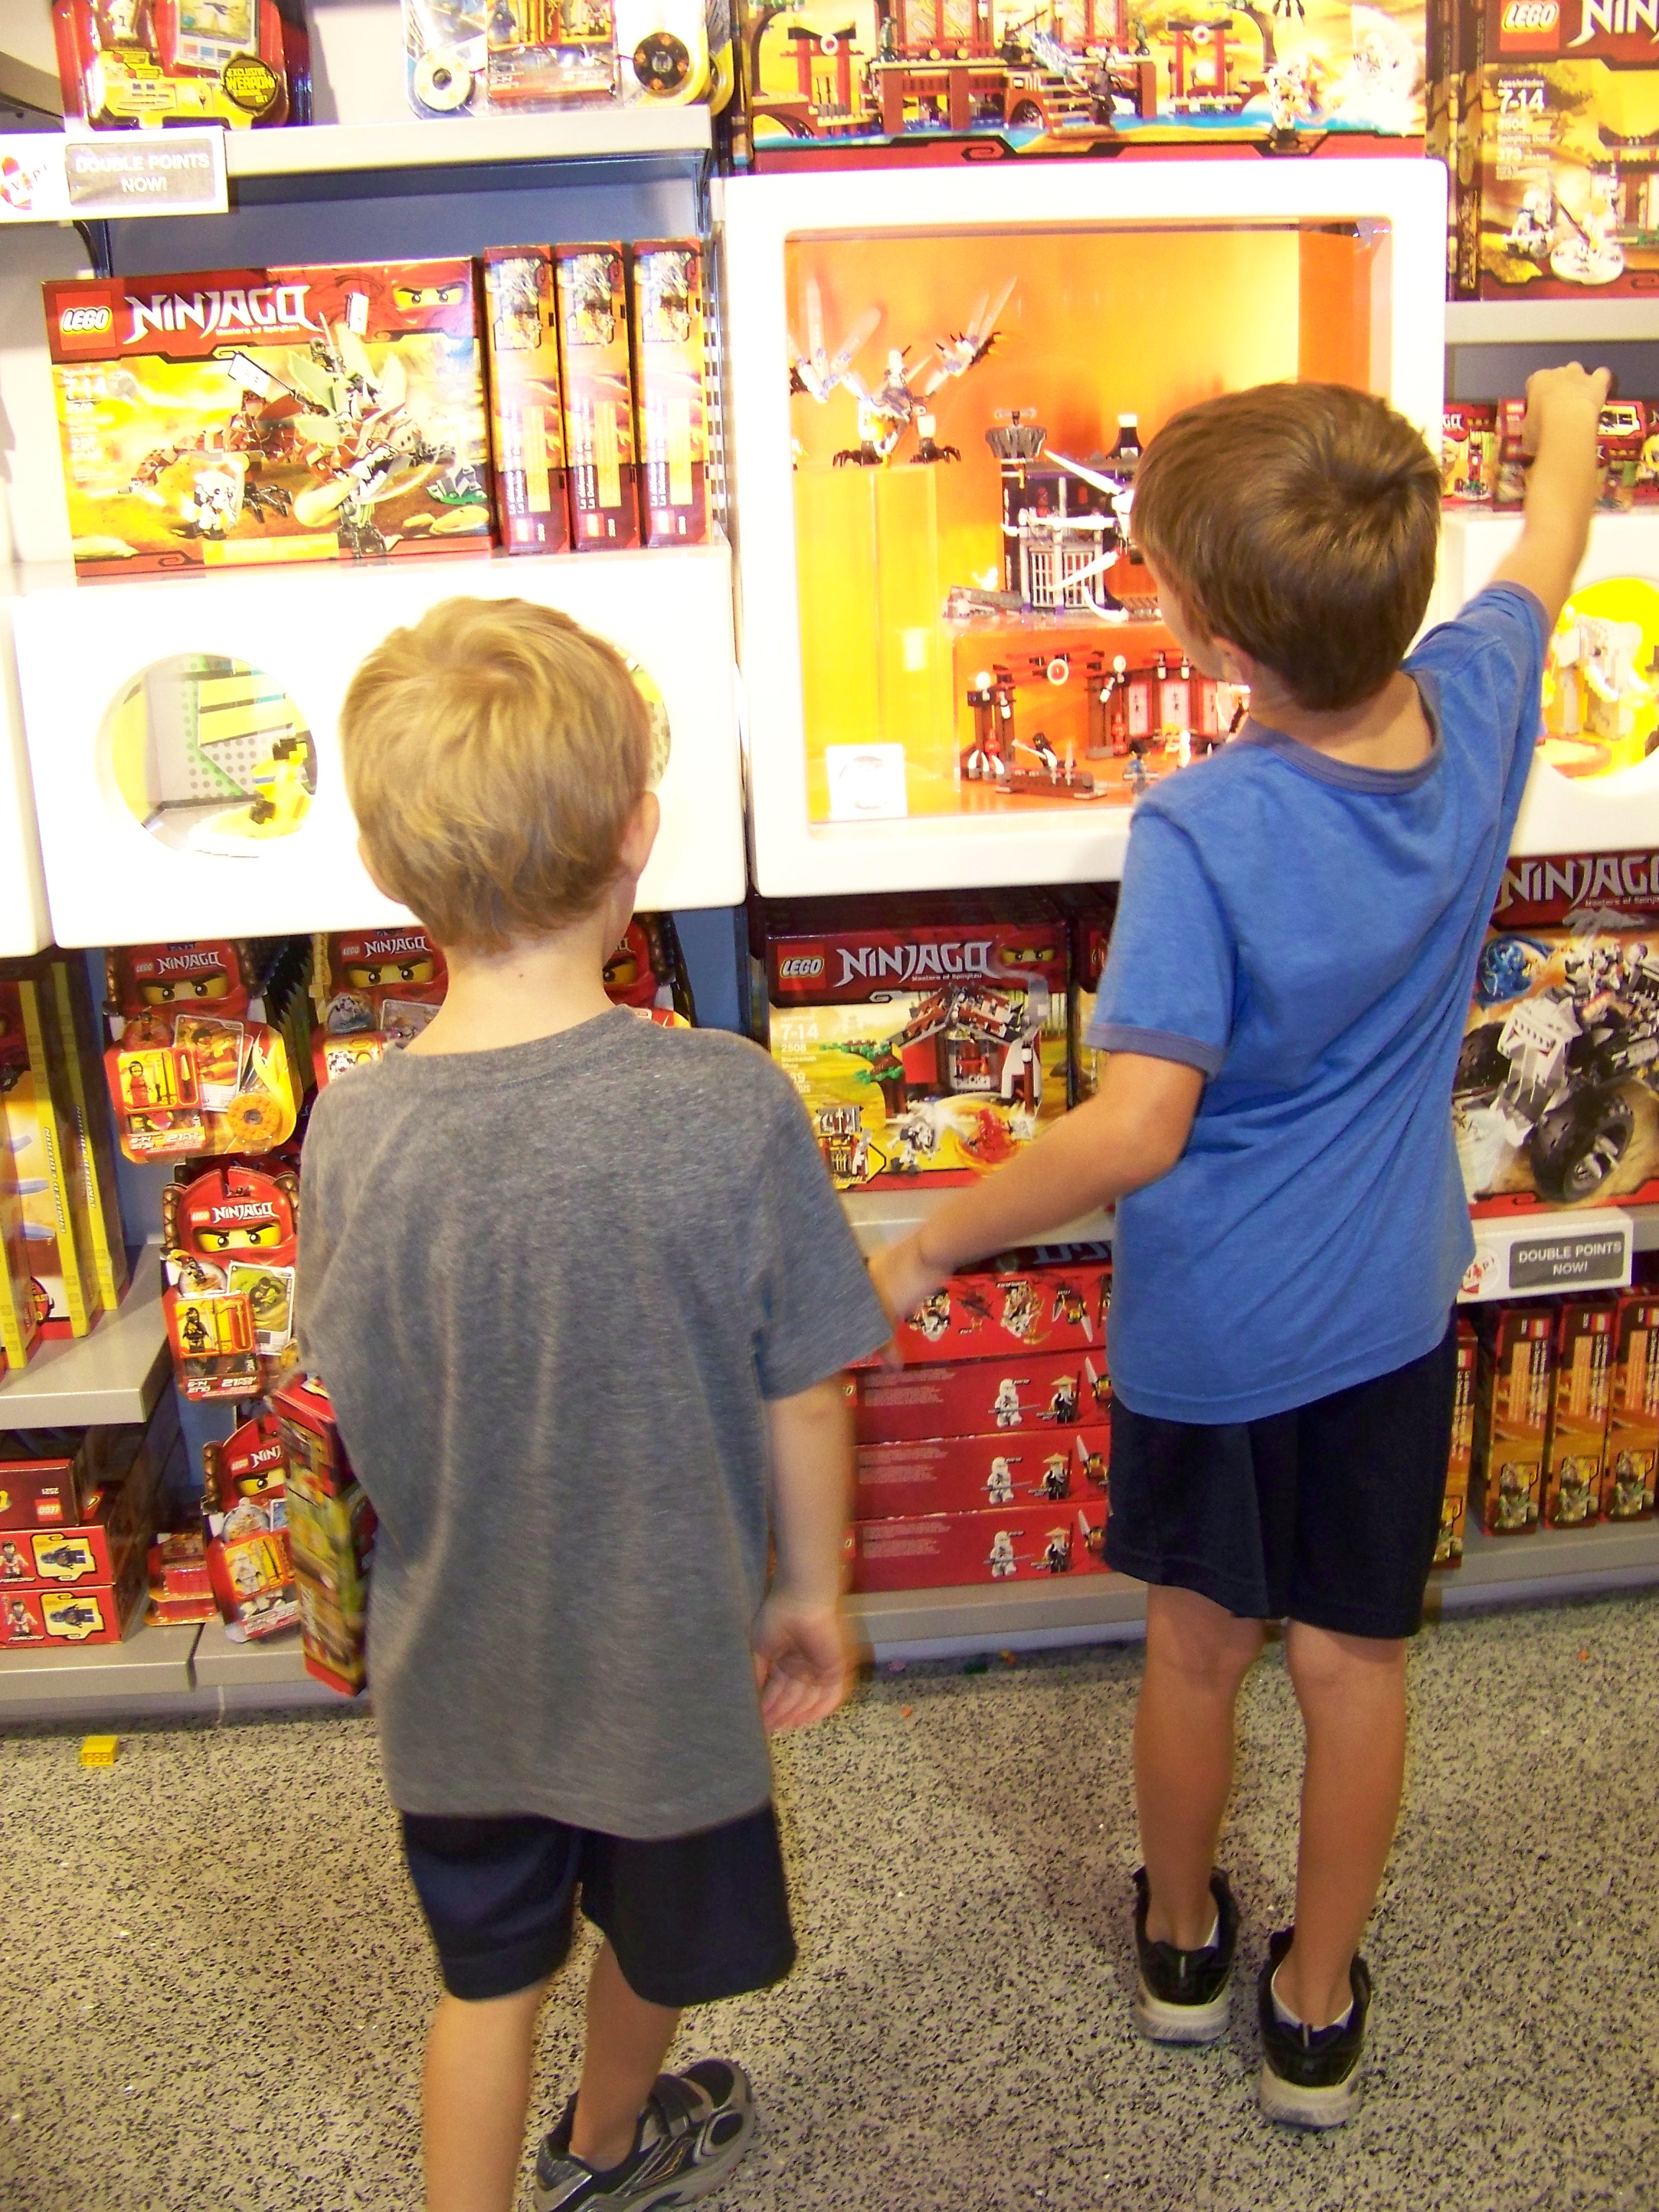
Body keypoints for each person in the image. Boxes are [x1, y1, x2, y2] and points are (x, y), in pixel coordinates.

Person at [870, 367, 1606, 2128]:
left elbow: (1138, 1126)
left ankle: (1183, 1942)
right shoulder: (1480, 702)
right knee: (1357, 1662)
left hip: (1211, 1333)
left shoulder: (1201, 829)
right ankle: (1316, 2004)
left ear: (1207, 636)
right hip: (1389, 1313)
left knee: (1198, 1646)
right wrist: (1570, 424)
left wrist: (927, 1242)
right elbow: (1552, 545)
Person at [297, 597, 889, 2212]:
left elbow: (350, 1370)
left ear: (384, 870)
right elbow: (806, 1389)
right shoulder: (729, 1104)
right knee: (658, 1935)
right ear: (641, 833)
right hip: (668, 1666)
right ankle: (608, 2147)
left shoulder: (351, 1132)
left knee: (485, 1984)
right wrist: (812, 1593)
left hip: (456, 1676)